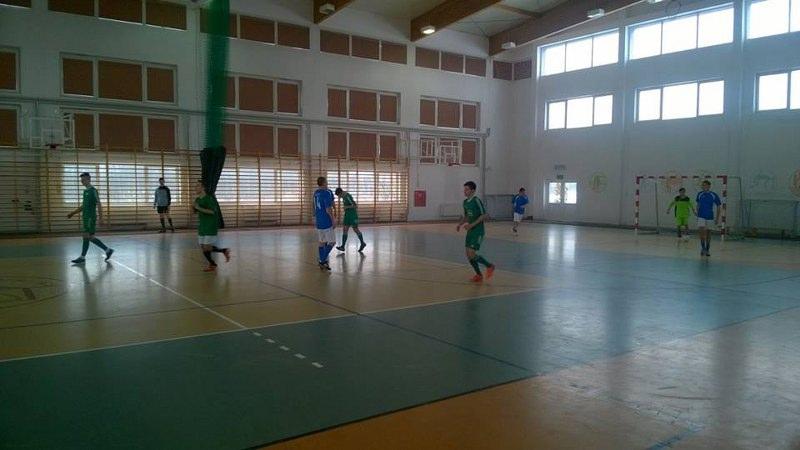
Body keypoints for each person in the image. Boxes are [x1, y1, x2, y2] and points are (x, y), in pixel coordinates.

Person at [67, 172, 114, 264]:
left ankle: (82, 257)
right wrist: (73, 213)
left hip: (90, 218)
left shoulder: (93, 191)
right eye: (81, 180)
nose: (82, 181)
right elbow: (83, 206)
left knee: (86, 236)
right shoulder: (85, 192)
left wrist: (101, 218)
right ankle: (108, 250)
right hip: (85, 217)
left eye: (84, 180)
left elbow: (99, 204)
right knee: (90, 237)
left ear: (89, 179)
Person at [457, 181, 496, 282]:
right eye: (464, 189)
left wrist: (471, 225)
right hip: (470, 231)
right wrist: (460, 224)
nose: (464, 191)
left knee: (472, 253)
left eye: (467, 189)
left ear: (473, 191)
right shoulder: (465, 202)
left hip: (478, 231)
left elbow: (484, 215)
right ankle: (479, 275)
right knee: (468, 254)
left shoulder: (476, 200)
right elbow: (467, 216)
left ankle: (489, 266)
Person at [193, 180, 230, 272]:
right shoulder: (197, 199)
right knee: (203, 247)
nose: (195, 188)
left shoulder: (209, 198)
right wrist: (194, 208)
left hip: (210, 225)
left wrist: (198, 207)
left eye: (198, 186)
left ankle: (212, 264)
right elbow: (196, 211)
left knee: (206, 247)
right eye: (195, 186)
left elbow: (212, 211)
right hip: (202, 226)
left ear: (203, 188)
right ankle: (223, 251)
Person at [314, 177, 336, 271]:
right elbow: (328, 209)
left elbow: (314, 206)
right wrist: (333, 220)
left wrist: (315, 218)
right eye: (326, 182)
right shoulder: (326, 193)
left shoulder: (316, 193)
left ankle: (323, 261)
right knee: (332, 242)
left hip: (319, 220)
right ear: (323, 183)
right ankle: (322, 260)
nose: (327, 183)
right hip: (326, 221)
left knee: (322, 242)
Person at [335, 187, 366, 253]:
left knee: (356, 229)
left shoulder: (348, 196)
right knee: (345, 230)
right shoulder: (343, 197)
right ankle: (343, 246)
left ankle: (362, 243)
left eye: (339, 196)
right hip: (347, 215)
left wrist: (347, 207)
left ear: (341, 193)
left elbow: (355, 206)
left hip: (352, 215)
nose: (339, 197)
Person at [695, 180, 722, 257]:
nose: (703, 186)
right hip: (701, 216)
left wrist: (717, 218)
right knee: (701, 233)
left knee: (708, 233)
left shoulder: (713, 195)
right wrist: (697, 212)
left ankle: (707, 249)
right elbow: (698, 204)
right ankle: (703, 248)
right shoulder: (700, 194)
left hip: (710, 216)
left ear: (709, 186)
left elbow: (718, 207)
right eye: (703, 185)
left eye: (705, 185)